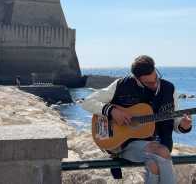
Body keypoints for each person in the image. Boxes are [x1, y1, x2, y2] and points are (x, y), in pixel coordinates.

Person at [81, 55, 192, 184]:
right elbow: (87, 102)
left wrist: (184, 125)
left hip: (161, 143)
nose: (155, 84)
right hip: (124, 144)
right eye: (149, 83)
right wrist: (112, 111)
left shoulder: (169, 89)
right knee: (161, 151)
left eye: (156, 78)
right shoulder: (122, 85)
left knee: (154, 166)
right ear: (137, 79)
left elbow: (176, 123)